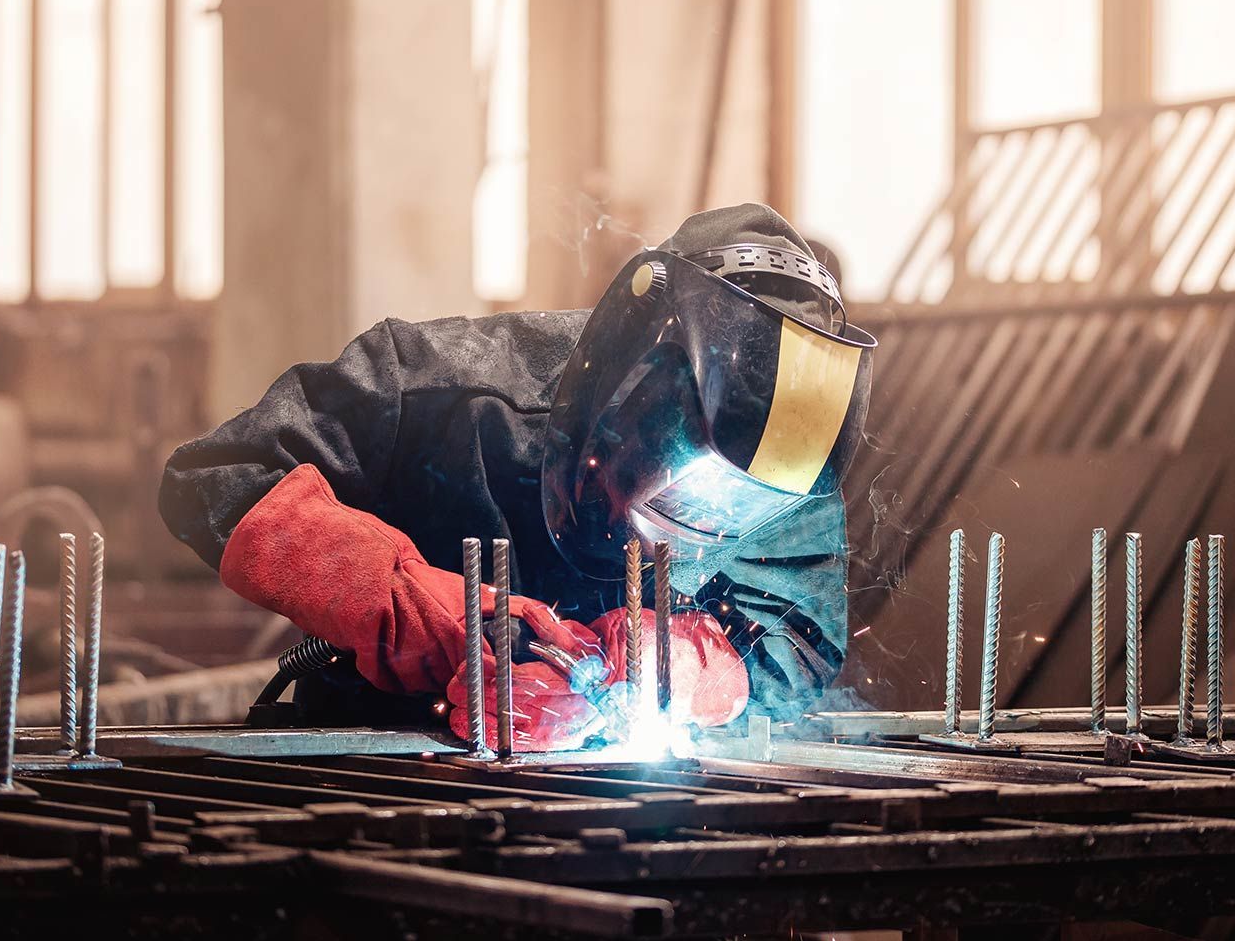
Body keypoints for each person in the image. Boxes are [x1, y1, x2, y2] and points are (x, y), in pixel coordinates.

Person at [159, 203, 875, 750]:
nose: (705, 520)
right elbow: (219, 476)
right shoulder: (430, 386)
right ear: (631, 398)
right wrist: (409, 605)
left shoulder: (790, 469)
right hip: (389, 796)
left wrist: (676, 668)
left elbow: (799, 636)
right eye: (692, 482)